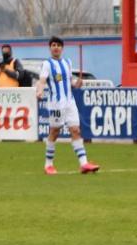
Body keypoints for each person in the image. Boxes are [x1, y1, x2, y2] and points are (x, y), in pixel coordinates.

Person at [35, 35, 99, 175]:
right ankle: (48, 165)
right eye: (53, 45)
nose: (56, 47)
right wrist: (39, 91)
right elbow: (42, 80)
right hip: (56, 103)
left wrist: (77, 84)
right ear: (50, 48)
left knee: (75, 130)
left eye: (58, 45)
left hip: (70, 102)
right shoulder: (47, 64)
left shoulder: (67, 62)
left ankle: (84, 164)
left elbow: (70, 82)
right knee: (55, 132)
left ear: (62, 48)